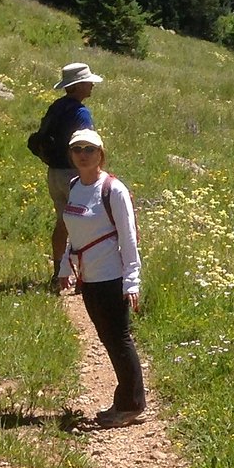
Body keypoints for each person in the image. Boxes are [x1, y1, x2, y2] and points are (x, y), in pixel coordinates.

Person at [59, 128, 145, 428]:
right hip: (89, 277)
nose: (83, 154)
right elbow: (75, 232)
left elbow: (129, 237)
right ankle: (125, 400)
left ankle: (132, 404)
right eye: (77, 149)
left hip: (111, 275)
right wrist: (65, 266)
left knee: (118, 339)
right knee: (108, 339)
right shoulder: (74, 186)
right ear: (71, 154)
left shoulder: (113, 190)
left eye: (89, 149)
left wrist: (131, 280)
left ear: (101, 154)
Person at [38, 63, 101, 292]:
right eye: (88, 81)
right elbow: (86, 144)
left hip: (54, 172)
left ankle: (58, 274)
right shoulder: (81, 113)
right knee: (83, 225)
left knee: (62, 222)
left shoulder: (57, 107)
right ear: (78, 86)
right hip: (74, 174)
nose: (92, 85)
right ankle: (81, 278)